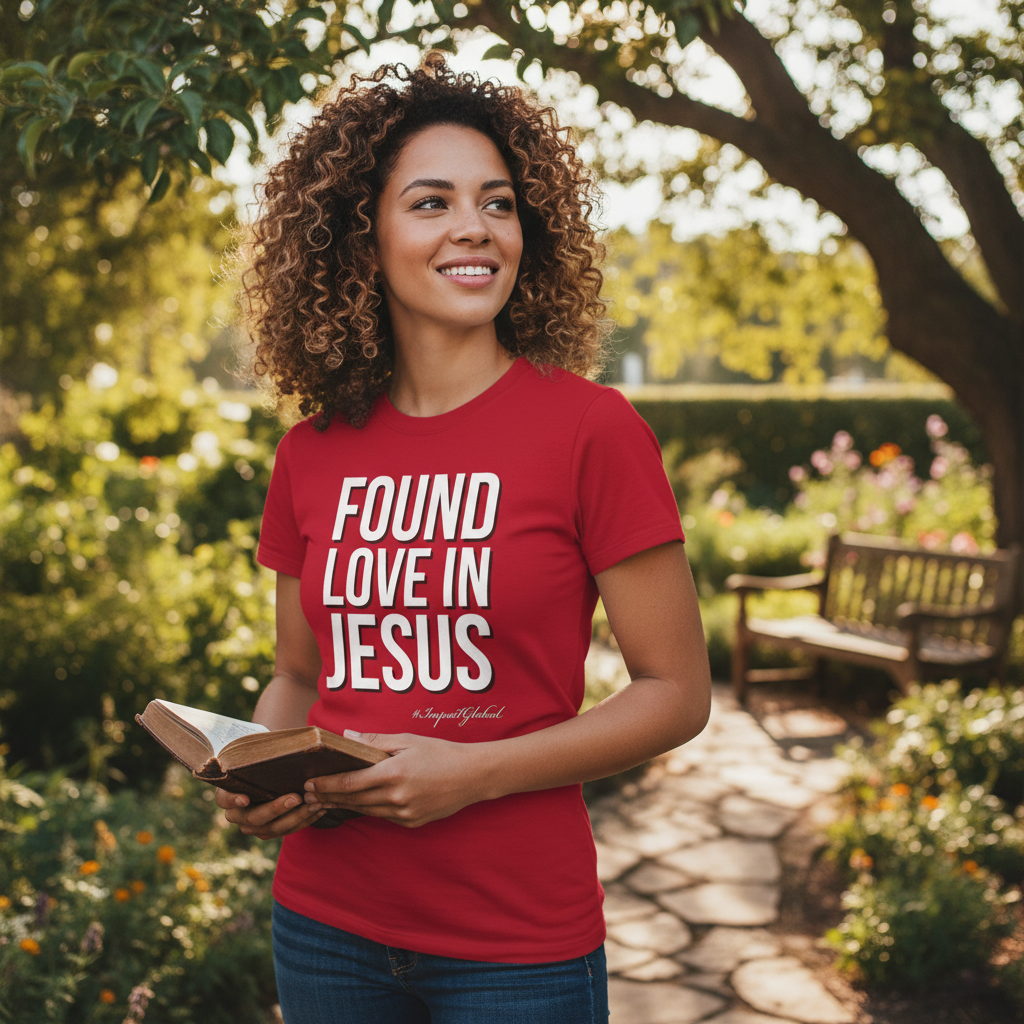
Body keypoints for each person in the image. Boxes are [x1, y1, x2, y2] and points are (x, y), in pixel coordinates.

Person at [220, 54, 712, 1024]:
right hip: (324, 924)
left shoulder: (592, 430)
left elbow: (676, 693)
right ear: (362, 237)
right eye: (432, 202)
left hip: (513, 946)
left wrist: (471, 773)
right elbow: (296, 674)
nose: (474, 228)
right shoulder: (309, 454)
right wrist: (261, 769)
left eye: (497, 202)